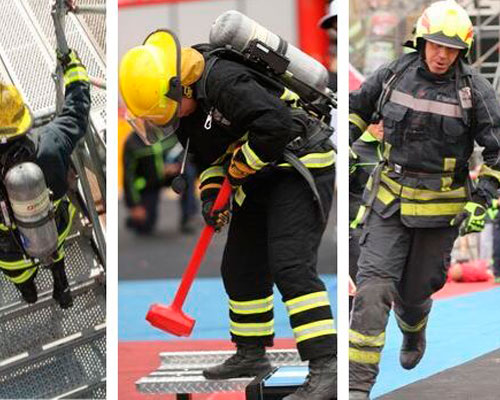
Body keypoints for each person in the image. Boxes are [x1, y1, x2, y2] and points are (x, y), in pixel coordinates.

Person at [120, 28, 336, 400]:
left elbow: (275, 126)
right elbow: (209, 162)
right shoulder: (186, 115)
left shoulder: (223, 80)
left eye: (166, 112)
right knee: (239, 266)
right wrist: (210, 199)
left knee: (289, 264)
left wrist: (238, 169)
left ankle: (326, 366)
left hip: (300, 164)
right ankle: (251, 353)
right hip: (261, 174)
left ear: (181, 88)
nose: (165, 122)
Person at [347, 1, 500, 398]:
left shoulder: (474, 91)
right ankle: (357, 387)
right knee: (371, 289)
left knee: (415, 292)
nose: (441, 54)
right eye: (435, 45)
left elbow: (498, 151)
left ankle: (414, 326)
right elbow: (356, 111)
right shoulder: (393, 74)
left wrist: (482, 198)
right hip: (389, 202)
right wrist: (343, 148)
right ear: (421, 41)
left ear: (462, 51)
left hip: (440, 210)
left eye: (450, 49)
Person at [0, 49, 90, 309]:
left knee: (19, 274)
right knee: (53, 247)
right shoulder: (50, 142)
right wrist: (73, 65)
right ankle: (61, 284)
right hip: (55, 228)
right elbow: (77, 110)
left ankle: (27, 290)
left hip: (9, 253)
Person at [123, 129, 198, 235]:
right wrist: (134, 205)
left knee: (188, 172)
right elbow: (129, 177)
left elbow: (187, 151)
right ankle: (134, 219)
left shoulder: (172, 132)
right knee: (144, 227)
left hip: (170, 176)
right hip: (149, 183)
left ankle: (189, 215)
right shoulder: (132, 142)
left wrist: (178, 165)